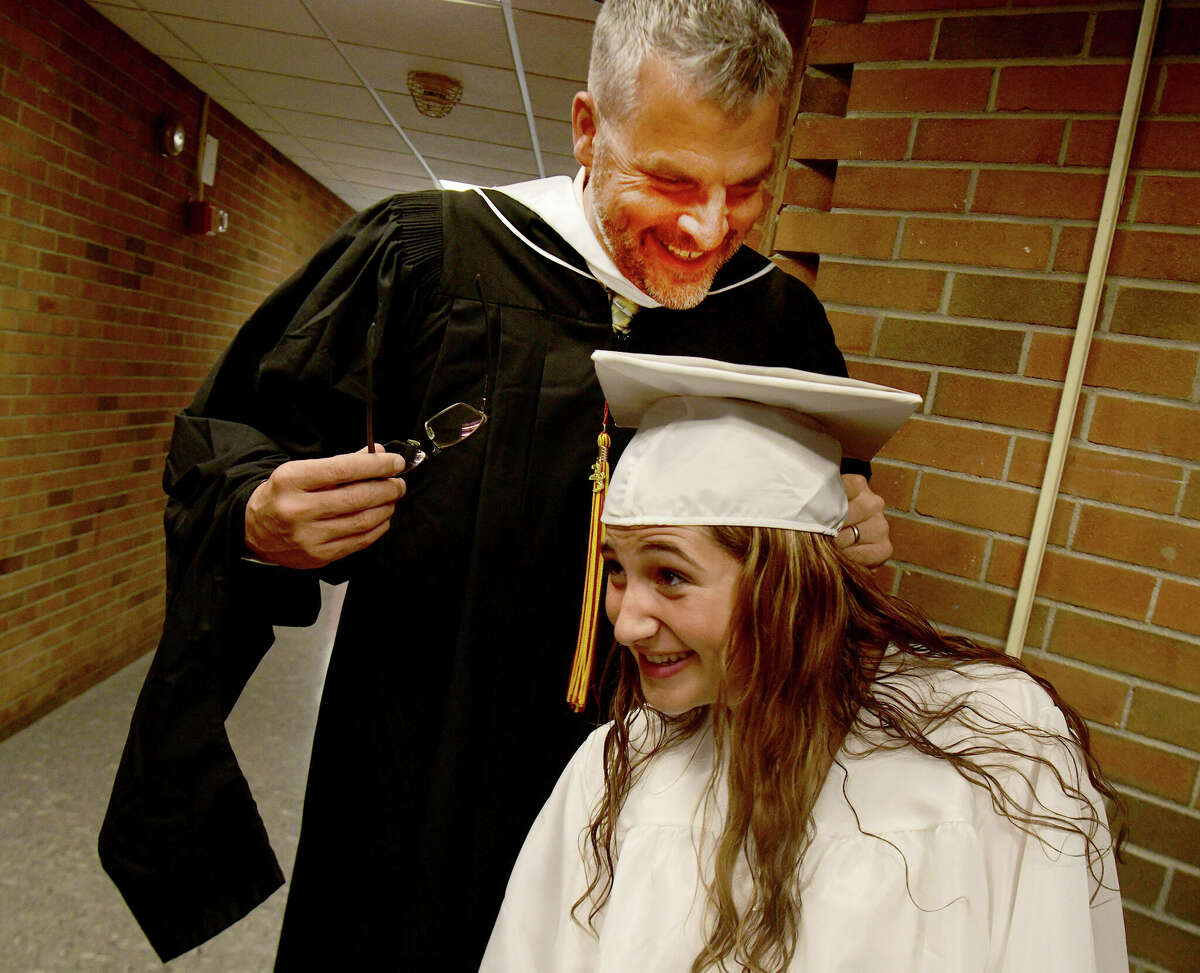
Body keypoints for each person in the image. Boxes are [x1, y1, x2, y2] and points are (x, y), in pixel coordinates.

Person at [99, 1, 892, 968]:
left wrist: (842, 540)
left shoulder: (777, 325)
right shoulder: (425, 259)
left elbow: (811, 535)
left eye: (747, 187)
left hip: (669, 788)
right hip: (422, 775)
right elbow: (224, 442)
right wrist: (257, 513)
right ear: (588, 131)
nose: (706, 227)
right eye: (671, 178)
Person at [482, 351, 1127, 973]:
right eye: (616, 569)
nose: (625, 624)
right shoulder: (619, 764)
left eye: (671, 575)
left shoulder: (989, 745)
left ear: (787, 580)